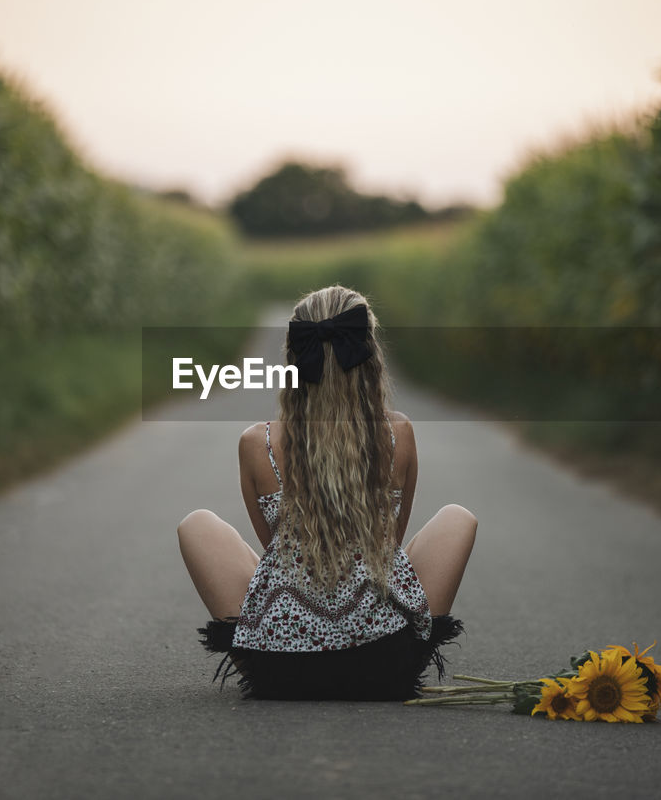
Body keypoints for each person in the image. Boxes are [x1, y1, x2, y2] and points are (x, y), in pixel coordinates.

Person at [177, 284, 477, 700]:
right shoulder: (398, 434)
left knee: (197, 525)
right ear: (370, 357)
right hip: (384, 665)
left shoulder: (256, 443)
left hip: (280, 669)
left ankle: (274, 645)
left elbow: (275, 554)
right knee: (458, 517)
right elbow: (392, 546)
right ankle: (374, 641)